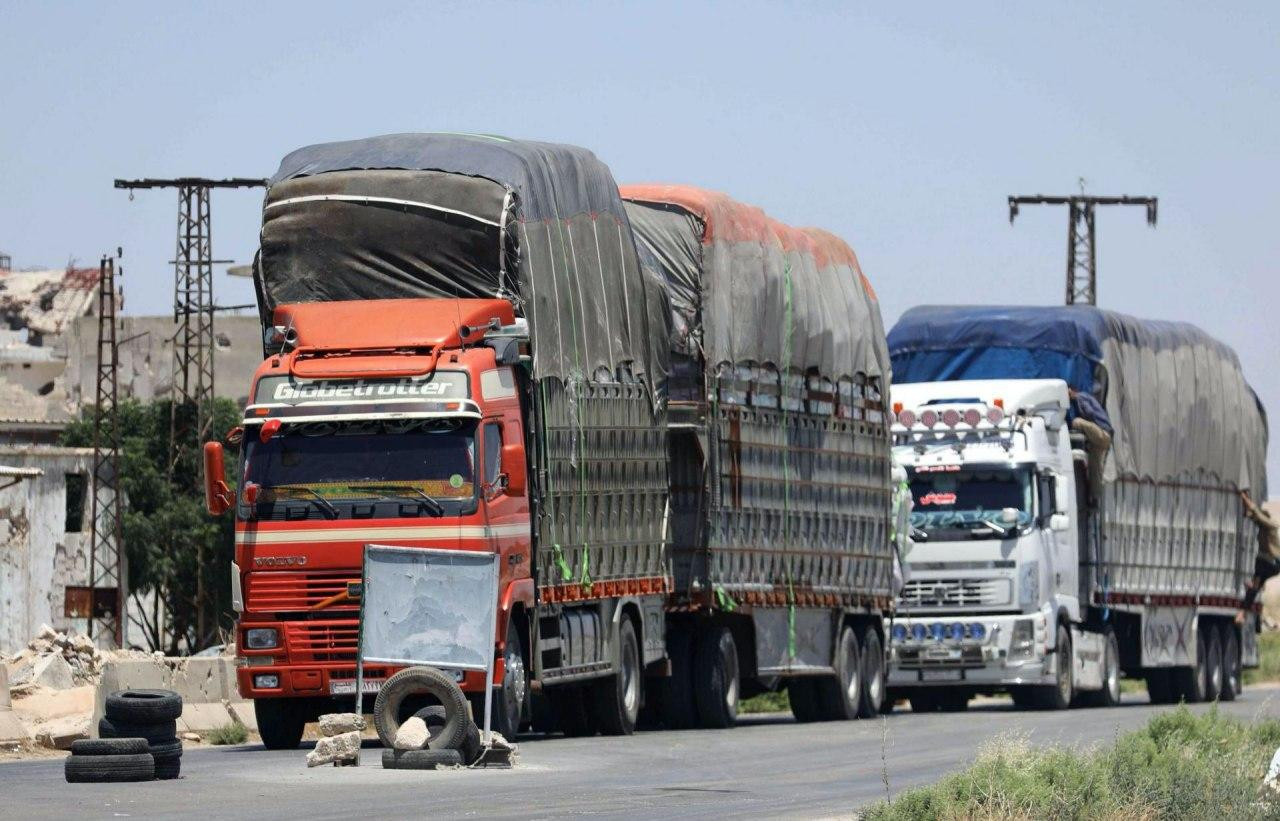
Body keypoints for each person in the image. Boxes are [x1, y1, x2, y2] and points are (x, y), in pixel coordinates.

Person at [1238, 490, 1280, 625]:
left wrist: (1244, 498)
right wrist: (1247, 507)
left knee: (1255, 584)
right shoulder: (1263, 526)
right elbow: (1254, 516)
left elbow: (1257, 514)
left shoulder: (1271, 526)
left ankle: (1243, 613)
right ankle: (1255, 613)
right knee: (1254, 587)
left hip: (1272, 563)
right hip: (1266, 562)